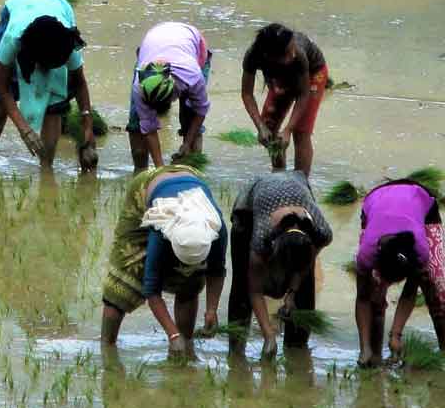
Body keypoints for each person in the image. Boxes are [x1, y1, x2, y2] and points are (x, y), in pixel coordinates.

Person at [101, 165, 227, 355]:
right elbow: (151, 289)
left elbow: (217, 270)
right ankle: (107, 349)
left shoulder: (215, 226)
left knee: (191, 279)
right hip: (147, 190)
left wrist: (211, 311)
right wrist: (172, 334)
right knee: (124, 276)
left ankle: (185, 346)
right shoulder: (161, 230)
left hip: (190, 180)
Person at [0, 0, 97, 170]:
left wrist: (88, 130)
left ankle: (46, 167)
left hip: (58, 9)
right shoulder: (13, 38)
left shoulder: (66, 43)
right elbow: (3, 88)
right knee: (4, 87)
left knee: (56, 94)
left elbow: (80, 83)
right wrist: (24, 129)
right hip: (19, 7)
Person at [228, 171, 332, 360]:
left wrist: (291, 293)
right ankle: (236, 351)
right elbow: (255, 290)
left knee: (303, 293)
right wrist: (269, 336)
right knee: (242, 286)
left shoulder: (321, 233)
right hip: (250, 206)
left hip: (296, 186)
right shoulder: (262, 238)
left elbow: (304, 265)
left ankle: (296, 349)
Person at [353, 176, 445, 367]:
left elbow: (410, 292)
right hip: (377, 199)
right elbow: (362, 298)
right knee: (374, 293)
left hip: (421, 202)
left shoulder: (419, 251)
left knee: (436, 286)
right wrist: (364, 348)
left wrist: (396, 334)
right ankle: (372, 356)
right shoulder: (367, 253)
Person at [241, 24, 327, 176]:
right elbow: (247, 94)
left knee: (300, 131)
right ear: (269, 56)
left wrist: (288, 129)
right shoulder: (253, 56)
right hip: (280, 76)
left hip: (312, 74)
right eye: (287, 53)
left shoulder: (298, 55)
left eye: (292, 48)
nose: (292, 54)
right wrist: (260, 126)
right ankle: (279, 175)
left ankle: (301, 182)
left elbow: (302, 95)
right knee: (269, 126)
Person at [128, 22, 212, 172]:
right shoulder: (140, 87)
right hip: (154, 43)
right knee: (137, 128)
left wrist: (187, 143)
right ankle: (140, 172)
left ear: (173, 94)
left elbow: (201, 110)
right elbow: (149, 129)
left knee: (190, 120)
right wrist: (161, 171)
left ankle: (193, 174)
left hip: (193, 45)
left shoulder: (192, 76)